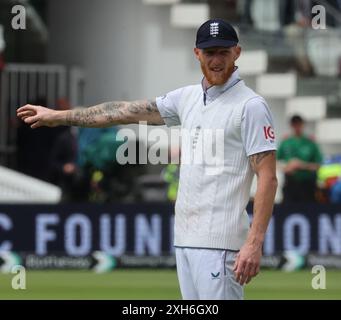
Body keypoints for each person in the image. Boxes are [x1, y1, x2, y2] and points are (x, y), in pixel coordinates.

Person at [17, 19, 278, 300]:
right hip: (186, 240)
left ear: (237, 53)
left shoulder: (251, 106)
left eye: (223, 52)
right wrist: (58, 116)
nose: (216, 60)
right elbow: (124, 111)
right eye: (209, 52)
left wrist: (254, 242)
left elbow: (268, 177)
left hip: (222, 245)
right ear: (197, 54)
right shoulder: (186, 98)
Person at [277, 114, 323, 203]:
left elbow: (318, 165)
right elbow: (275, 162)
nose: (297, 127)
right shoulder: (285, 142)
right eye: (295, 124)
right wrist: (286, 168)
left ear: (302, 125)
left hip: (307, 184)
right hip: (290, 183)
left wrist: (301, 165)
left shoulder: (310, 142)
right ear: (291, 125)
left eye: (299, 124)